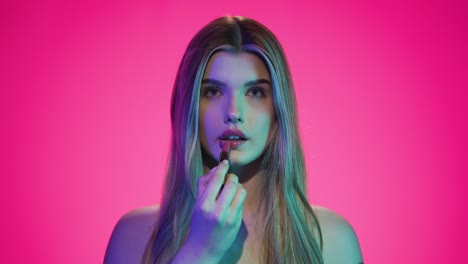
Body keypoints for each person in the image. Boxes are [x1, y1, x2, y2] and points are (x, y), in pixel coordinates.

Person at [104, 16, 363, 264]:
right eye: (213, 91)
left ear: (279, 112)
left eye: (255, 92)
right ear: (189, 106)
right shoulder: (133, 236)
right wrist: (199, 251)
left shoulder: (331, 240)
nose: (233, 113)